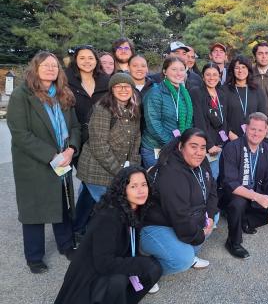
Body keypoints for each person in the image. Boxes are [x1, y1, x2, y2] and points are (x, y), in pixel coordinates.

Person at [7, 51, 81, 273]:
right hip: (34, 162)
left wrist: (71, 149)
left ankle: (67, 245)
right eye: (46, 65)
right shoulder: (22, 95)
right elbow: (20, 133)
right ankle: (34, 256)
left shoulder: (62, 94)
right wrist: (52, 155)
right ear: (35, 68)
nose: (51, 69)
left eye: (55, 66)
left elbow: (75, 127)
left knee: (62, 203)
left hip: (63, 157)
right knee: (34, 209)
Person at [55, 166, 162, 304]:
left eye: (144, 185)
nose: (141, 191)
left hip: (110, 265)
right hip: (88, 277)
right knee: (118, 281)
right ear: (123, 190)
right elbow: (103, 264)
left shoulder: (134, 208)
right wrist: (140, 263)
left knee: (154, 269)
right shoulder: (108, 217)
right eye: (133, 186)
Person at [141, 129, 218, 274]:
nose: (199, 152)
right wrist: (199, 235)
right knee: (182, 260)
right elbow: (179, 214)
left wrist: (211, 216)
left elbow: (212, 189)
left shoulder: (202, 161)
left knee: (213, 217)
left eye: (203, 148)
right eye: (193, 146)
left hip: (186, 216)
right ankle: (143, 271)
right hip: (157, 224)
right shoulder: (171, 172)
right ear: (180, 146)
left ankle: (181, 248)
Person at [219, 112, 268, 259]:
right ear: (246, 128)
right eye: (253, 129)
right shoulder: (232, 148)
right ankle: (233, 242)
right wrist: (257, 197)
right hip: (234, 194)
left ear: (266, 132)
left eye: (260, 130)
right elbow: (230, 183)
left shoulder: (267, 150)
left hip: (255, 193)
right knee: (238, 203)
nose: (256, 133)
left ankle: (246, 221)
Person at [77, 73, 142, 203]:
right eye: (118, 86)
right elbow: (99, 146)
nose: (123, 90)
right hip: (97, 172)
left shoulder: (133, 109)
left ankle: (79, 223)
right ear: (111, 90)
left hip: (117, 170)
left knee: (87, 211)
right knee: (109, 209)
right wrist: (120, 171)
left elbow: (136, 140)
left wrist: (132, 167)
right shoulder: (103, 109)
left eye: (127, 86)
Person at [65, 45, 109, 235]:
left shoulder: (105, 81)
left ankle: (81, 225)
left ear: (96, 60)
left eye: (90, 58)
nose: (86, 61)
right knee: (92, 183)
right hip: (78, 140)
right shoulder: (67, 81)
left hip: (102, 139)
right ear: (76, 60)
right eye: (82, 58)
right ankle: (85, 225)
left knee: (89, 183)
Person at [141, 56, 193, 168]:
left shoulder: (185, 94)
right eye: (174, 69)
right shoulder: (155, 92)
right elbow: (153, 124)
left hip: (176, 148)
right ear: (165, 71)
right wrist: (174, 144)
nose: (178, 73)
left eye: (181, 69)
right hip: (155, 149)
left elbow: (190, 121)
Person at [190, 63, 229, 180]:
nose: (211, 78)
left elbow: (224, 119)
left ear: (220, 76)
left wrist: (223, 141)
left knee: (216, 177)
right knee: (206, 177)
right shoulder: (196, 92)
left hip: (220, 144)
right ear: (203, 76)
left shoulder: (221, 94)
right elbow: (199, 120)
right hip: (205, 144)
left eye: (215, 74)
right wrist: (209, 144)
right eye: (208, 74)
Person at [223, 56, 266, 141]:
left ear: (248, 70)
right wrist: (229, 133)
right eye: (237, 68)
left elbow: (262, 115)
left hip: (253, 138)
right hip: (231, 138)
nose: (240, 71)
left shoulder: (257, 90)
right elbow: (221, 117)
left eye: (243, 67)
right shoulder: (224, 90)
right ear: (232, 70)